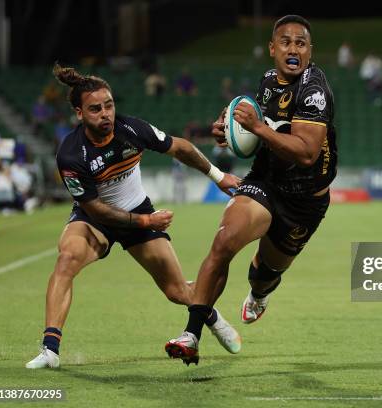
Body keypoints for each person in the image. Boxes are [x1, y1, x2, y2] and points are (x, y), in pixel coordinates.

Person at [26, 64, 242, 369]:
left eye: (109, 105)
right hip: (95, 218)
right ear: (79, 113)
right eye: (95, 109)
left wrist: (218, 176)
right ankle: (50, 349)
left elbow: (180, 147)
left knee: (177, 292)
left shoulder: (132, 129)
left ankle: (210, 314)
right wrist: (146, 222)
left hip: (138, 211)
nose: (105, 114)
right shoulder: (71, 154)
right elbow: (95, 209)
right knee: (67, 258)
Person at [164, 15, 337, 366]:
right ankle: (192, 334)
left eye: (300, 43)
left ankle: (260, 294)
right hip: (265, 184)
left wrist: (256, 127)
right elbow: (260, 135)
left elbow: (305, 153)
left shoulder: (314, 90)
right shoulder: (267, 83)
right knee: (224, 242)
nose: (293, 48)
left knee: (264, 274)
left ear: (310, 51)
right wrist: (230, 135)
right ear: (272, 49)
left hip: (305, 203)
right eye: (285, 42)